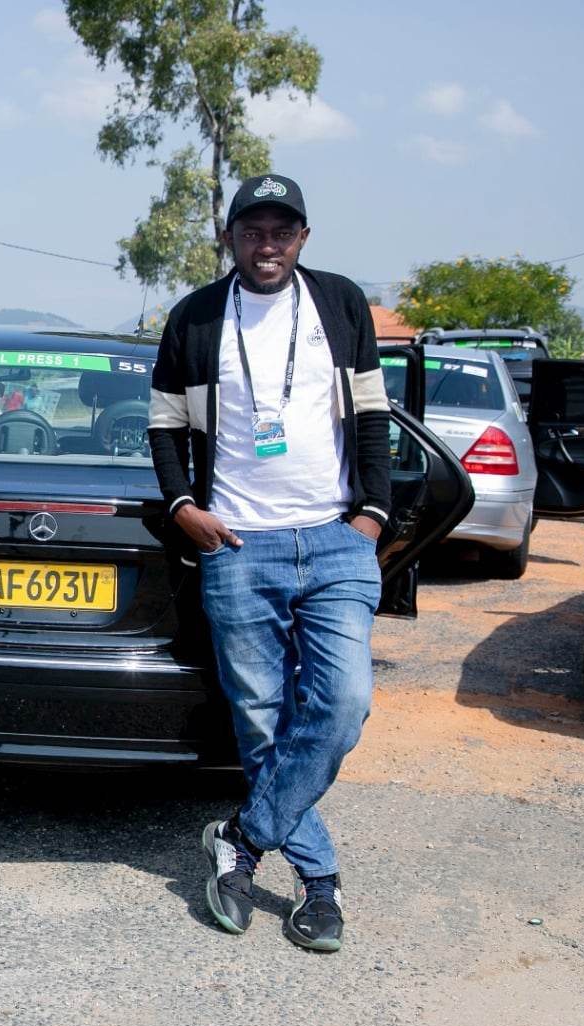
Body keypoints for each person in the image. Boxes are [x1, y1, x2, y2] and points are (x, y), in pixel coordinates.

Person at [147, 174, 391, 953]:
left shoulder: (341, 305)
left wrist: (371, 517)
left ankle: (242, 839)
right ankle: (321, 885)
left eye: (282, 231)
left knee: (344, 703)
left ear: (303, 239)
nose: (267, 244)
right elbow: (163, 426)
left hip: (333, 540)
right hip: (238, 545)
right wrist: (184, 506)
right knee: (261, 722)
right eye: (253, 230)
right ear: (231, 237)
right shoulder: (193, 317)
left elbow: (375, 417)